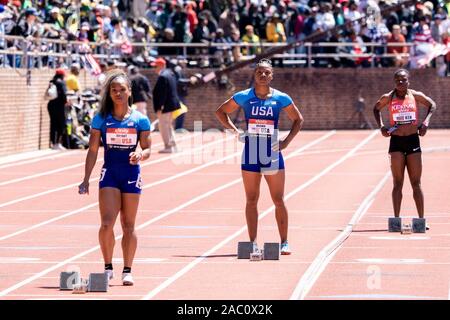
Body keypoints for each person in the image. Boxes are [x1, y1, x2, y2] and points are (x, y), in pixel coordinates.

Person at [215, 59, 304, 255]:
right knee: (251, 199)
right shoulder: (244, 96)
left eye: (266, 73)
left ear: (272, 76)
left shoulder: (281, 98)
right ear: (254, 75)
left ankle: (284, 242)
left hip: (271, 151)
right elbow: (221, 112)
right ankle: (253, 242)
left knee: (278, 199)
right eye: (259, 73)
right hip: (251, 151)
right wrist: (236, 132)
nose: (263, 76)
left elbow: (298, 119)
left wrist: (286, 142)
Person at [78, 69, 152, 286]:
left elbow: (148, 149)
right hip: (110, 173)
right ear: (109, 94)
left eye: (122, 90)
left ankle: (127, 270)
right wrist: (85, 178)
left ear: (129, 91)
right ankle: (108, 266)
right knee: (106, 223)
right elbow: (92, 150)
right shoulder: (101, 118)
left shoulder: (140, 120)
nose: (118, 93)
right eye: (114, 90)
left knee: (129, 224)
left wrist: (140, 154)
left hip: (131, 174)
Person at [373, 69, 436, 228]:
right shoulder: (388, 97)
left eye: (403, 80)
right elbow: (376, 109)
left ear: (409, 81)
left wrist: (426, 122)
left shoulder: (415, 95)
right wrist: (381, 127)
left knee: (416, 183)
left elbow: (432, 104)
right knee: (397, 183)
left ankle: (421, 220)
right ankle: (396, 219)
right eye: (398, 80)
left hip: (413, 140)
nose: (401, 83)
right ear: (394, 82)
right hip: (396, 142)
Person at [151, 57, 181, 153]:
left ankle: (168, 146)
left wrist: (160, 106)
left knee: (164, 126)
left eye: (156, 66)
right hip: (171, 104)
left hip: (165, 106)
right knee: (168, 125)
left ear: (162, 65)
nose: (154, 68)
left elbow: (162, 93)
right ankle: (173, 145)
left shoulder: (163, 76)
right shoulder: (170, 74)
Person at [47, 68, 68, 150]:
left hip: (51, 105)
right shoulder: (62, 83)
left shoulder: (52, 82)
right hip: (59, 106)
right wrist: (66, 101)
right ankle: (58, 143)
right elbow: (64, 94)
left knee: (53, 124)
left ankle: (52, 142)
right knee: (61, 124)